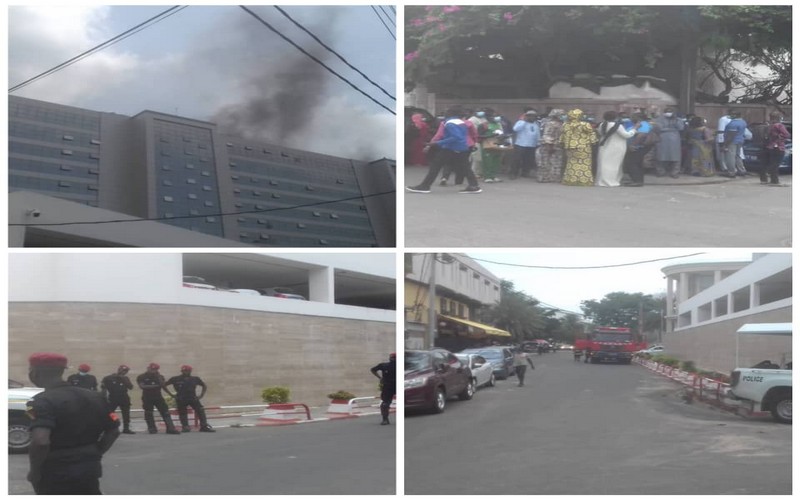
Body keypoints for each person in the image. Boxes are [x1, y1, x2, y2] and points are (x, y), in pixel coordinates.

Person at [26, 352, 120, 495]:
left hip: (55, 471)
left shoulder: (38, 402)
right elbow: (114, 430)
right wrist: (97, 451)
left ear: (35, 373)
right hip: (89, 467)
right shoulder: (96, 397)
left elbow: (41, 441)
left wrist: (35, 471)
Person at [406, 106, 482, 194]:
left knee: (435, 166)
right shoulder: (462, 122)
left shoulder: (449, 123)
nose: (445, 114)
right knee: (465, 167)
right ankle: (474, 185)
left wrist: (437, 143)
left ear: (450, 114)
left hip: (450, 148)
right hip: (462, 148)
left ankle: (425, 186)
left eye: (447, 112)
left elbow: (456, 137)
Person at [164, 365, 215, 433]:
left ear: (190, 371)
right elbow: (164, 385)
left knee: (200, 410)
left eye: (187, 371)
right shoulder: (175, 379)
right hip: (181, 398)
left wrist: (201, 395)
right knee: (182, 413)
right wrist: (171, 395)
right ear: (181, 371)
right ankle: (185, 427)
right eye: (184, 371)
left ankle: (204, 426)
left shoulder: (195, 379)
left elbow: (204, 385)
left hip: (192, 398)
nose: (185, 372)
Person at [136, 363, 180, 435]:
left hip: (158, 397)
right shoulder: (141, 376)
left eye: (155, 369)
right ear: (148, 368)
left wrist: (170, 394)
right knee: (149, 413)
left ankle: (170, 428)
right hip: (147, 397)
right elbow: (142, 386)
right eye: (152, 369)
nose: (153, 370)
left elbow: (163, 386)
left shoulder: (159, 376)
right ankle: (152, 428)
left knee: (165, 412)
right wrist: (156, 386)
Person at [596, 110, 637, 187]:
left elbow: (600, 133)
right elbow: (626, 135)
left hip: (604, 146)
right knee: (614, 164)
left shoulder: (602, 124)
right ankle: (611, 181)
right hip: (616, 147)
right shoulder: (618, 126)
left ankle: (602, 181)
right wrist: (634, 130)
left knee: (603, 163)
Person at [560, 109, 598, 186]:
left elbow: (562, 136)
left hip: (569, 147)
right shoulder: (584, 124)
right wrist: (594, 142)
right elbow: (592, 133)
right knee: (584, 164)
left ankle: (570, 179)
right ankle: (583, 180)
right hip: (583, 147)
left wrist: (562, 143)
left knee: (571, 163)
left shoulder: (565, 124)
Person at [101, 365, 136, 434]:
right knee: (111, 413)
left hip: (124, 397)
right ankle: (114, 424)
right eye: (123, 370)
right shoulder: (108, 378)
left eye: (126, 371)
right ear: (119, 369)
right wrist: (104, 398)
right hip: (113, 397)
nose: (124, 372)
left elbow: (130, 387)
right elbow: (103, 388)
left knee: (126, 414)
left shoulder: (125, 378)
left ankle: (126, 428)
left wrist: (123, 379)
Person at [653, 107, 685, 178]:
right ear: (664, 112)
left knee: (676, 156)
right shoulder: (659, 119)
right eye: (667, 111)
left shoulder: (678, 119)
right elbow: (658, 128)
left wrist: (675, 120)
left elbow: (681, 128)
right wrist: (671, 129)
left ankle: (675, 172)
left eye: (670, 111)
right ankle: (660, 171)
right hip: (662, 139)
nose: (668, 113)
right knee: (660, 155)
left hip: (675, 140)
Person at [535, 109, 566, 182]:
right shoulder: (550, 124)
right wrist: (549, 146)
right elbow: (547, 135)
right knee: (545, 162)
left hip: (558, 146)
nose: (563, 116)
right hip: (549, 145)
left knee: (556, 163)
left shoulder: (561, 123)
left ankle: (553, 178)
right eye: (561, 115)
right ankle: (544, 178)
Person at [761, 111, 791, 186]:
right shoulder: (779, 125)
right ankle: (774, 180)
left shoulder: (768, 125)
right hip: (779, 146)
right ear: (779, 117)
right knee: (775, 164)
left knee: (771, 163)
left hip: (770, 147)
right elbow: (787, 135)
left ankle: (767, 178)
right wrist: (781, 137)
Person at [510, 110, 540, 179]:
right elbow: (515, 129)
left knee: (528, 160)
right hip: (521, 144)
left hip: (531, 145)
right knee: (517, 160)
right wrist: (524, 121)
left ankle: (525, 172)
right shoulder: (521, 122)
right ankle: (513, 173)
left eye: (534, 116)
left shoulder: (536, 124)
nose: (532, 117)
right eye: (530, 116)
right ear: (527, 116)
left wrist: (538, 142)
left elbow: (537, 134)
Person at [479, 113, 507, 183]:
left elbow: (502, 133)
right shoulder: (484, 125)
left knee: (496, 160)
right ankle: (487, 177)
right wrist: (491, 135)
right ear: (488, 117)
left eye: (496, 116)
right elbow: (479, 136)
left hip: (497, 144)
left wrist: (504, 136)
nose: (495, 118)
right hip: (487, 144)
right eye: (493, 116)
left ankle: (493, 176)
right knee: (488, 161)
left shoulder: (499, 124)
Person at [370, 353, 396, 425]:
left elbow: (372, 370)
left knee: (385, 403)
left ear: (390, 358)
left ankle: (385, 419)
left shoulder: (384, 365)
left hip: (387, 386)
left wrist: (380, 378)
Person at [722, 111, 748, 178]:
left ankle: (731, 172)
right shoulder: (743, 122)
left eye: (731, 114)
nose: (730, 116)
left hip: (732, 141)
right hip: (740, 140)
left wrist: (725, 144)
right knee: (737, 156)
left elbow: (731, 135)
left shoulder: (733, 124)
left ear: (735, 115)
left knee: (730, 157)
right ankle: (742, 170)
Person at [715, 108, 735, 173]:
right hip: (724, 138)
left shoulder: (733, 120)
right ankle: (724, 168)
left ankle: (728, 168)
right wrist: (721, 141)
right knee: (722, 154)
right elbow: (721, 131)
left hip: (731, 139)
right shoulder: (724, 119)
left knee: (729, 155)